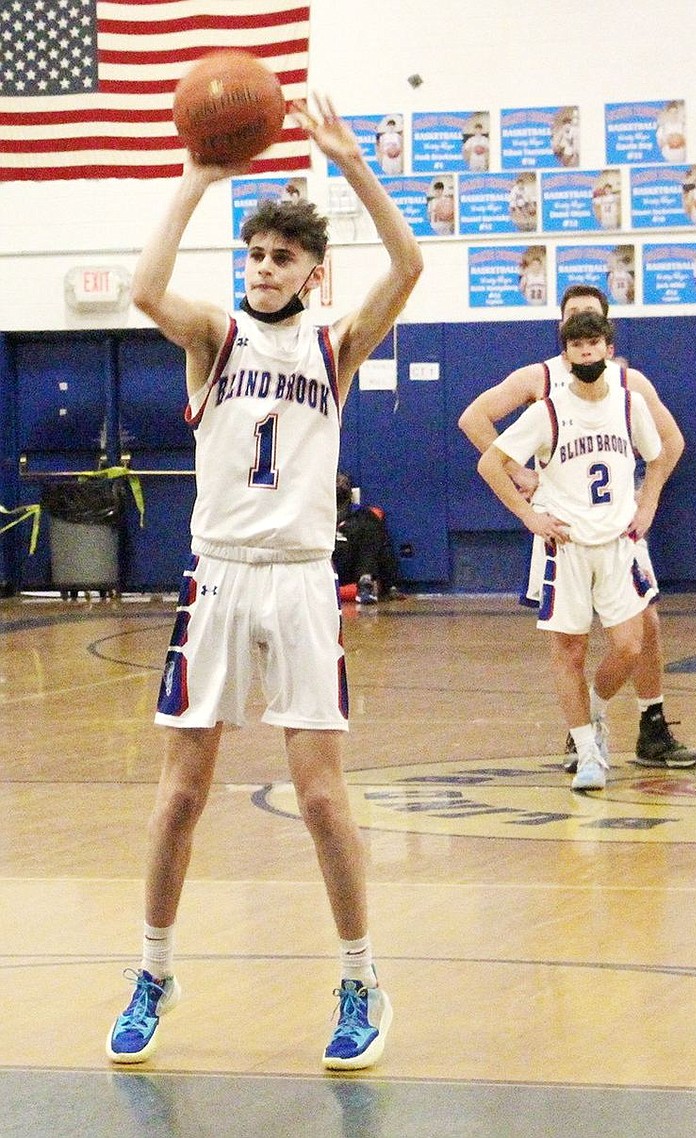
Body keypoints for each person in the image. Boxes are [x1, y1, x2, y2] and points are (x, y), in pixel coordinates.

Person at [106, 94, 422, 1070]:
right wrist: (197, 180)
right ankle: (154, 968)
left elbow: (408, 267)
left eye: (282, 257)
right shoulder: (214, 336)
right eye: (255, 255)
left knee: (321, 797)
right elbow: (143, 291)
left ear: (312, 273)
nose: (265, 268)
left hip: (296, 581)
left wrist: (352, 165)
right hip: (217, 578)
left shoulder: (335, 345)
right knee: (178, 797)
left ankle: (362, 978)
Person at [458, 283, 696, 770]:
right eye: (574, 319)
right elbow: (474, 419)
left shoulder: (630, 385)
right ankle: (583, 739)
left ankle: (650, 726)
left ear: (607, 332)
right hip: (564, 529)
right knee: (570, 642)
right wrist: (522, 475)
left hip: (617, 526)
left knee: (643, 627)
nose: (583, 328)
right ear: (562, 330)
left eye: (592, 320)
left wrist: (647, 500)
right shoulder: (539, 380)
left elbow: (669, 445)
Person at [333, 471, 403, 604]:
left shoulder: (363, 516)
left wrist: (391, 585)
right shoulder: (314, 514)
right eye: (336, 482)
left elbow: (383, 548)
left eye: (343, 483)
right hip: (326, 564)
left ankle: (365, 582)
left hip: (354, 566)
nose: (339, 485)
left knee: (371, 524)